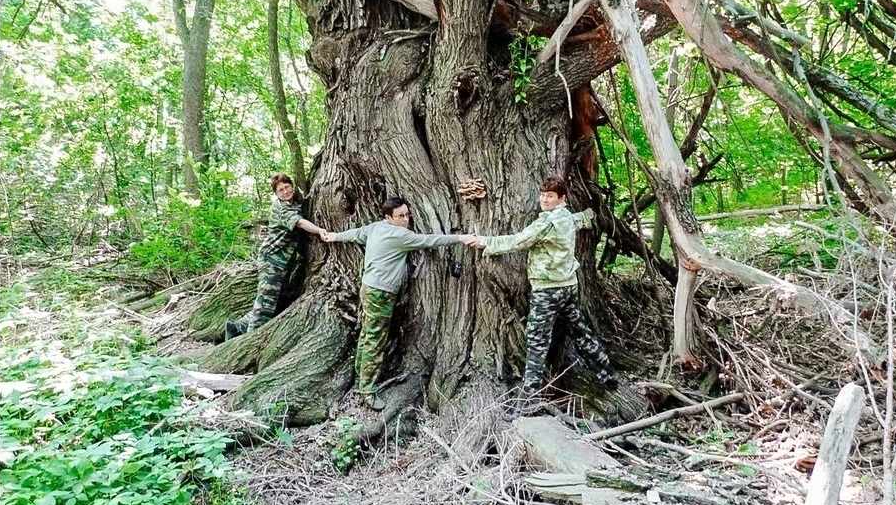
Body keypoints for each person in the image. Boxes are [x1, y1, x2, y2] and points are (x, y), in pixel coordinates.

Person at [464, 176, 617, 420]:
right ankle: (607, 374)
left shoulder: (547, 223)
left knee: (536, 342)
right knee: (580, 331)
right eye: (543, 195)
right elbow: (579, 220)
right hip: (568, 286)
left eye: (550, 196)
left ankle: (528, 402)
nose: (544, 200)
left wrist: (484, 242)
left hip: (548, 290)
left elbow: (519, 241)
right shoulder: (566, 216)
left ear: (561, 199)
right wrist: (588, 215)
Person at [321, 197, 468, 410]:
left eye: (407, 214)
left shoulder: (375, 228)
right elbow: (430, 240)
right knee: (375, 339)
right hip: (381, 293)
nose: (406, 219)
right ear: (388, 217)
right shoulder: (400, 235)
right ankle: (367, 390)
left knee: (368, 334)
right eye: (401, 216)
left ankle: (359, 375)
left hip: (369, 288)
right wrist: (460, 238)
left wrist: (334, 236)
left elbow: (355, 234)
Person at [225, 173, 324, 341]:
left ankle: (236, 327)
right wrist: (320, 230)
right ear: (276, 194)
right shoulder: (281, 207)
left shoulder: (294, 203)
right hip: (271, 260)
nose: (285, 192)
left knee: (271, 301)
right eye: (280, 190)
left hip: (283, 262)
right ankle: (249, 341)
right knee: (265, 305)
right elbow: (299, 222)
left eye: (287, 187)